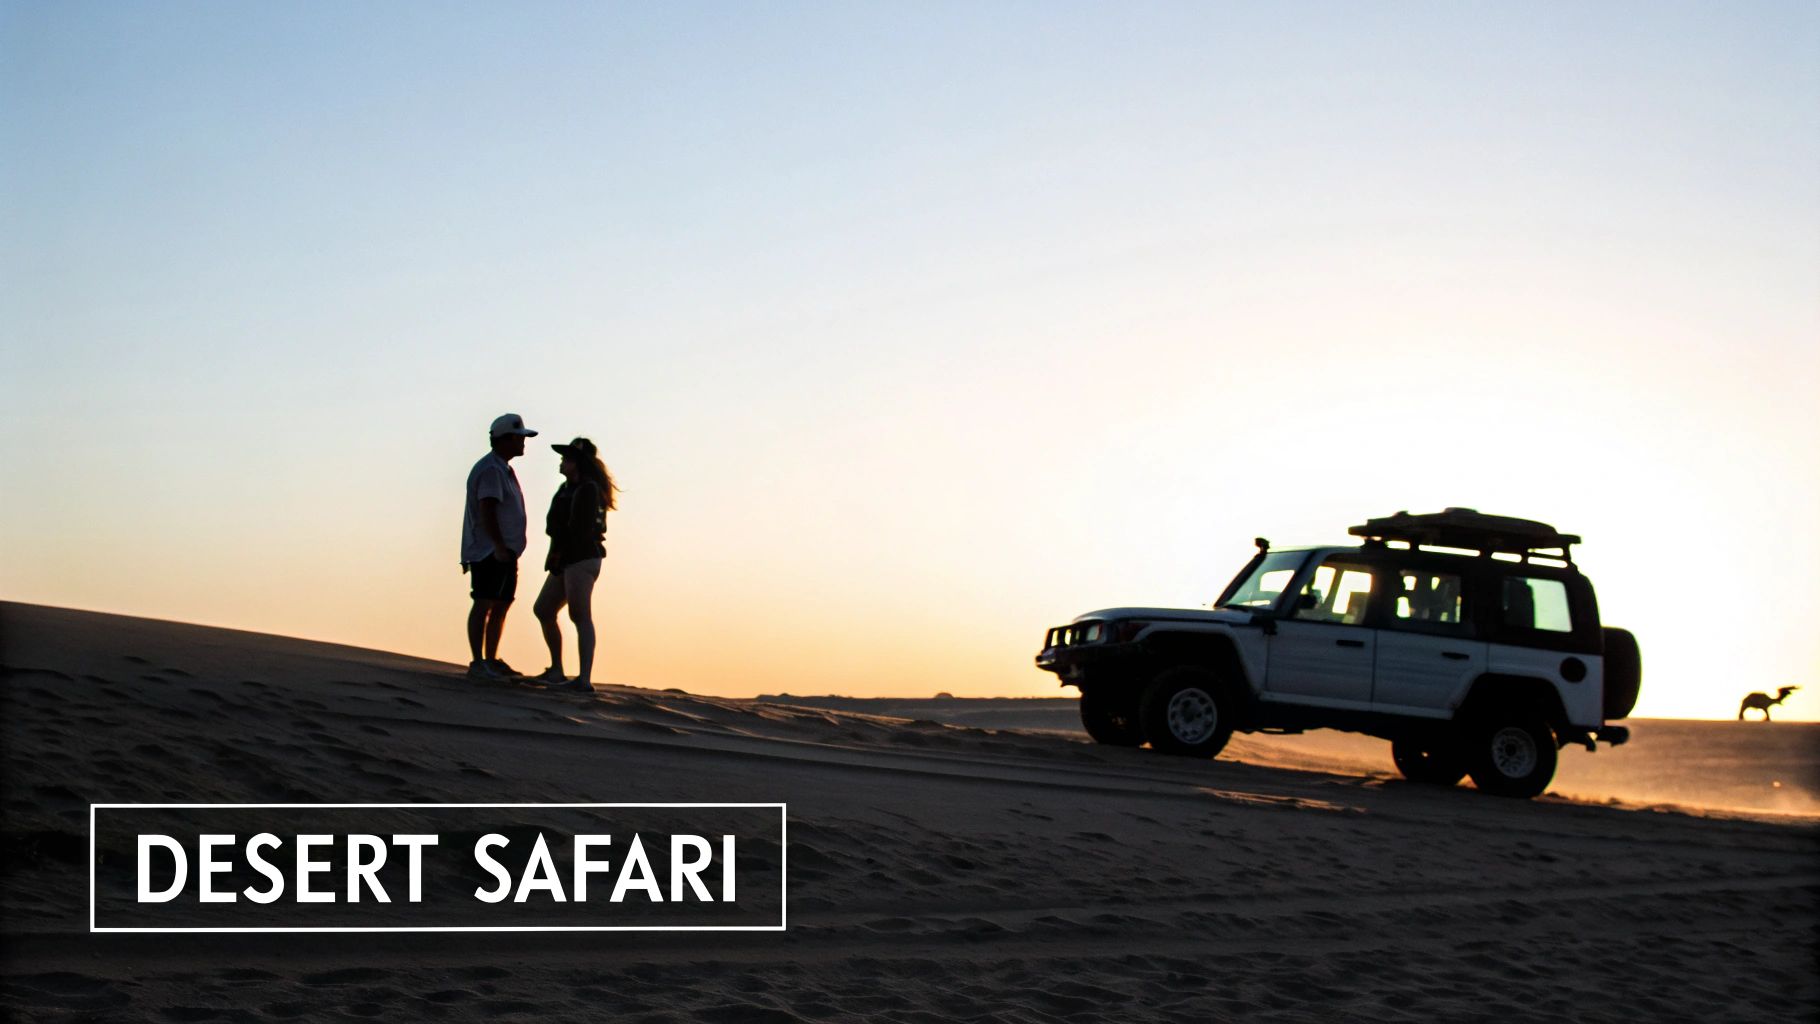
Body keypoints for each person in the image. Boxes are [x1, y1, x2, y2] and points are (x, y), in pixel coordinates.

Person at [531, 437, 616, 692]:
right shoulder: (567, 488)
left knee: (579, 615)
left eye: (567, 458)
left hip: (581, 557)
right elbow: (555, 526)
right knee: (544, 609)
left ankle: (583, 679)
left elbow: (578, 529)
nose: (561, 461)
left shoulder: (587, 489)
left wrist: (560, 552)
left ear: (578, 462)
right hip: (568, 557)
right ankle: (556, 670)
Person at [461, 413, 537, 679]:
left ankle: (490, 660)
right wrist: (499, 545)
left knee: (501, 603)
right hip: (490, 551)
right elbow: (487, 509)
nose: (523, 443)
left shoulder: (502, 468)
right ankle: (479, 661)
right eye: (520, 438)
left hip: (502, 551)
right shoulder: (492, 469)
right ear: (506, 439)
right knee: (484, 602)